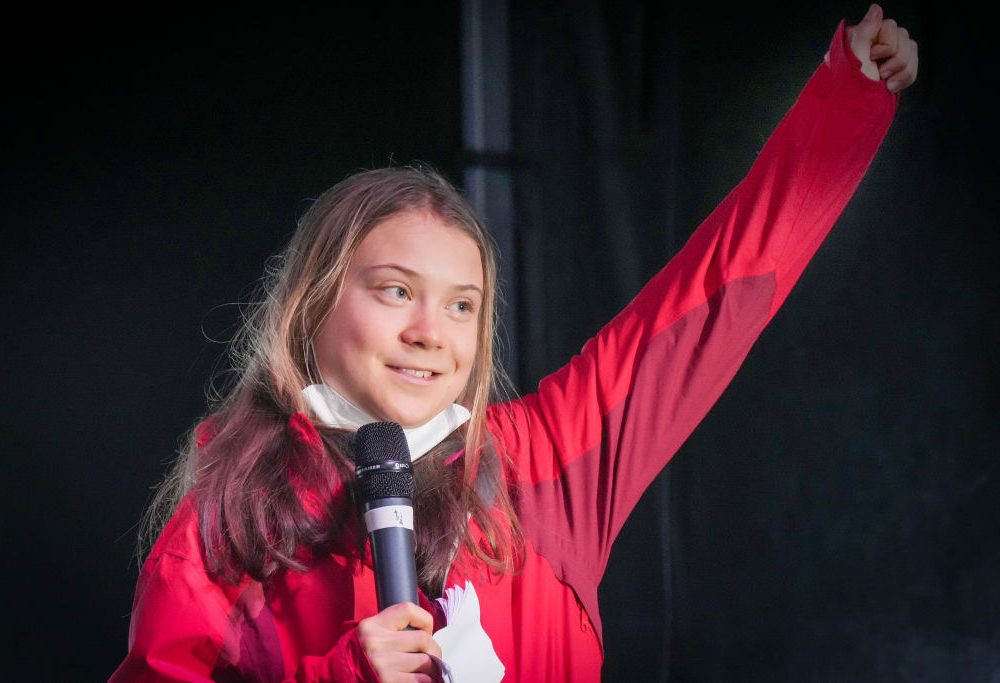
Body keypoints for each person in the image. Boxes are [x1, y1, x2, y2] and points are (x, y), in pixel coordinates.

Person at [111, 5, 918, 682]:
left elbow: (721, 285)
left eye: (462, 305)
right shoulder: (226, 526)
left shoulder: (549, 461)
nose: (431, 331)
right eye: (396, 290)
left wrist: (845, 101)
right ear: (314, 305)